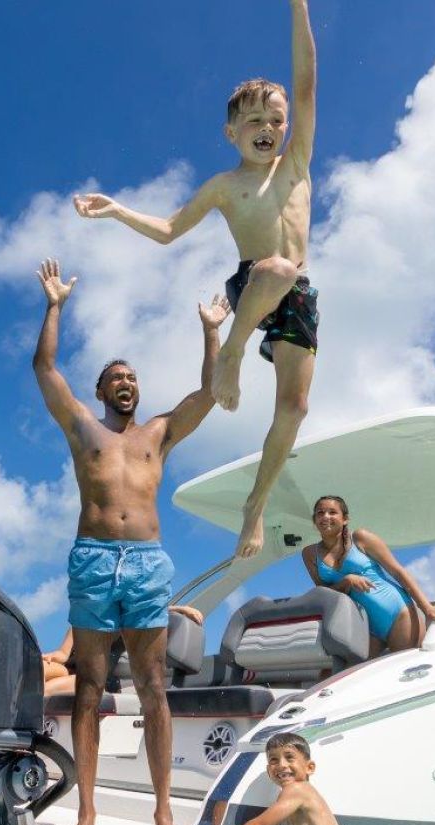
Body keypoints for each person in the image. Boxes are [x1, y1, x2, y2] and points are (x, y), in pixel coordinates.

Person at [73, 0, 319, 561]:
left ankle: (255, 504)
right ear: (231, 132)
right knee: (276, 268)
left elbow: (307, 81)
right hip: (253, 286)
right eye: (254, 122)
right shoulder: (224, 186)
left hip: (296, 295)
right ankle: (232, 353)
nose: (268, 129)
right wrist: (118, 210)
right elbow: (167, 230)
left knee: (295, 408)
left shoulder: (297, 163)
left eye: (275, 120)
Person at [32, 258, 227, 825]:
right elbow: (45, 369)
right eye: (115, 377)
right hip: (93, 558)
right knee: (89, 686)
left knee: (153, 687)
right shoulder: (83, 428)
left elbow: (210, 393)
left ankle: (164, 816)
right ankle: (87, 813)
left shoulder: (159, 433)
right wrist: (55, 307)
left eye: (132, 377)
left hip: (145, 561)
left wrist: (211, 331)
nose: (126, 382)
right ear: (100, 391)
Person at [300, 496, 435, 657]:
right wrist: (347, 581)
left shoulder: (360, 537)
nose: (325, 517)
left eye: (332, 512)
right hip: (364, 624)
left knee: (402, 666)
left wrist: (427, 608)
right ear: (314, 520)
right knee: (357, 671)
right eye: (320, 513)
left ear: (345, 519)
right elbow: (323, 594)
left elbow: (398, 572)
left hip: (397, 613)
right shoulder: (309, 554)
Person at [186, 732, 353, 825]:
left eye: (289, 757)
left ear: (309, 767)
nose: (281, 765)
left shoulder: (297, 790)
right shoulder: (304, 793)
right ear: (268, 770)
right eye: (274, 760)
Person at [42, 606, 207, 698]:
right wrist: (58, 654)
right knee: (36, 670)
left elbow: (150, 611)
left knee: (44, 690)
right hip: (72, 668)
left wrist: (181, 609)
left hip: (98, 680)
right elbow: (64, 650)